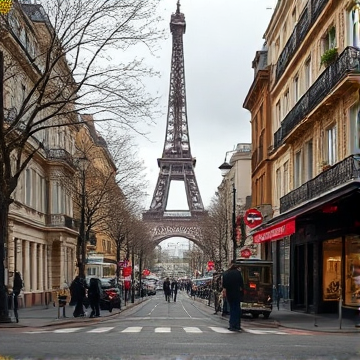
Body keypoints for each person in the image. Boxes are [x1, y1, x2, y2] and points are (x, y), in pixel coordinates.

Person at [222, 261, 244, 332]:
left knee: (231, 309)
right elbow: (241, 284)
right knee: (237, 309)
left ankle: (231, 325)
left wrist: (225, 292)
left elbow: (224, 285)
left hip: (229, 294)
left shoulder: (226, 273)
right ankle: (236, 325)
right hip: (236, 293)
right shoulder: (238, 273)